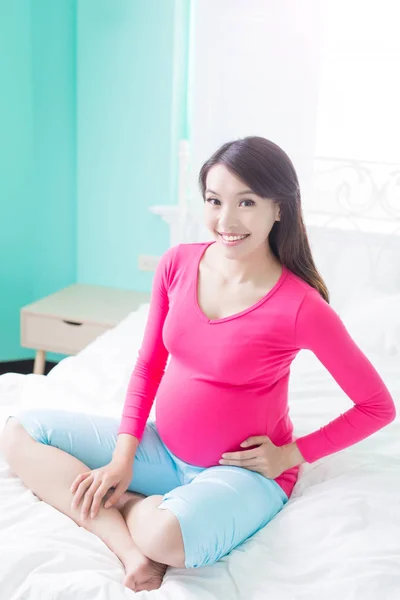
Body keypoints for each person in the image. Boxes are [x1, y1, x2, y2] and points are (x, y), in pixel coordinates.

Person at [0, 136, 396, 593]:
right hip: (160, 451)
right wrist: (123, 458)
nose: (226, 220)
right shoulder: (177, 264)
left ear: (279, 208)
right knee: (19, 432)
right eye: (214, 201)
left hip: (244, 473)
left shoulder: (301, 307)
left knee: (165, 536)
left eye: (246, 202)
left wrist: (291, 454)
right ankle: (128, 546)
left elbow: (377, 406)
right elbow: (149, 365)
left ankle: (129, 510)